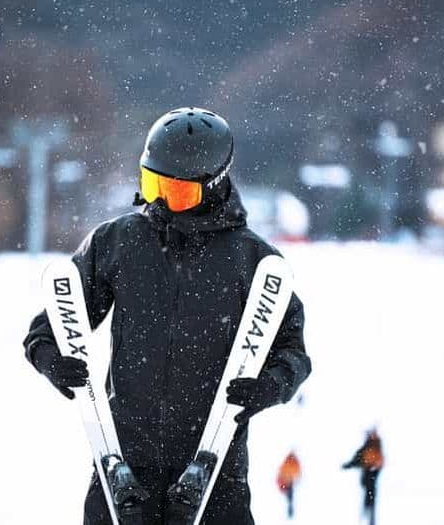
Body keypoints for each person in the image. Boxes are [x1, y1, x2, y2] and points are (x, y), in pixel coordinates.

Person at [22, 107, 311, 525]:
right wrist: (51, 359)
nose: (159, 202)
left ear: (212, 187)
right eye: (151, 184)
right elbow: (49, 327)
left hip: (215, 474)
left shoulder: (252, 261)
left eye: (175, 192)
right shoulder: (118, 242)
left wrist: (271, 385)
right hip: (123, 467)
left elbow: (293, 352)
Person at [342, 428, 384, 525]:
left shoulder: (374, 446)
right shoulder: (370, 446)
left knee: (370, 497)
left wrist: (373, 469)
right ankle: (368, 516)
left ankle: (369, 518)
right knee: (369, 497)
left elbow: (361, 459)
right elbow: (358, 458)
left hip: (371, 476)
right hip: (369, 476)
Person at [276, 451, 302, 519]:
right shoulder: (290, 463)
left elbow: (282, 472)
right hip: (287, 483)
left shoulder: (289, 463)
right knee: (289, 498)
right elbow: (282, 472)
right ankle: (290, 511)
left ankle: (290, 511)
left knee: (290, 498)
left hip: (288, 483)